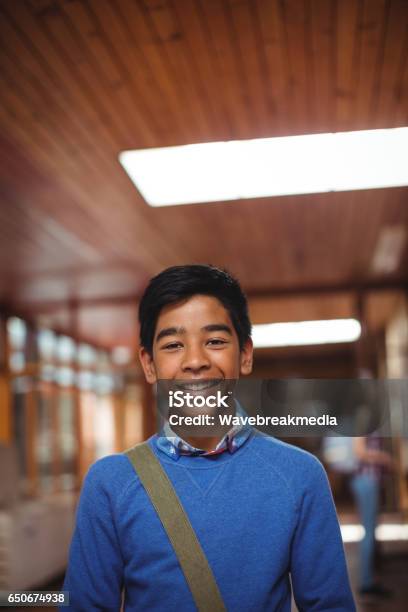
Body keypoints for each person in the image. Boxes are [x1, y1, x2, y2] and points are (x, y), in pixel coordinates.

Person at [62, 264, 355, 611]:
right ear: (149, 364)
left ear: (245, 354)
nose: (196, 361)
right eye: (173, 344)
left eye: (215, 341)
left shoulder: (299, 475)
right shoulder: (110, 484)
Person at [351, 436, 393, 599]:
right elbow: (360, 452)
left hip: (370, 481)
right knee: (368, 532)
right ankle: (366, 582)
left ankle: (369, 579)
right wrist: (384, 458)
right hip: (366, 480)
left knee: (371, 531)